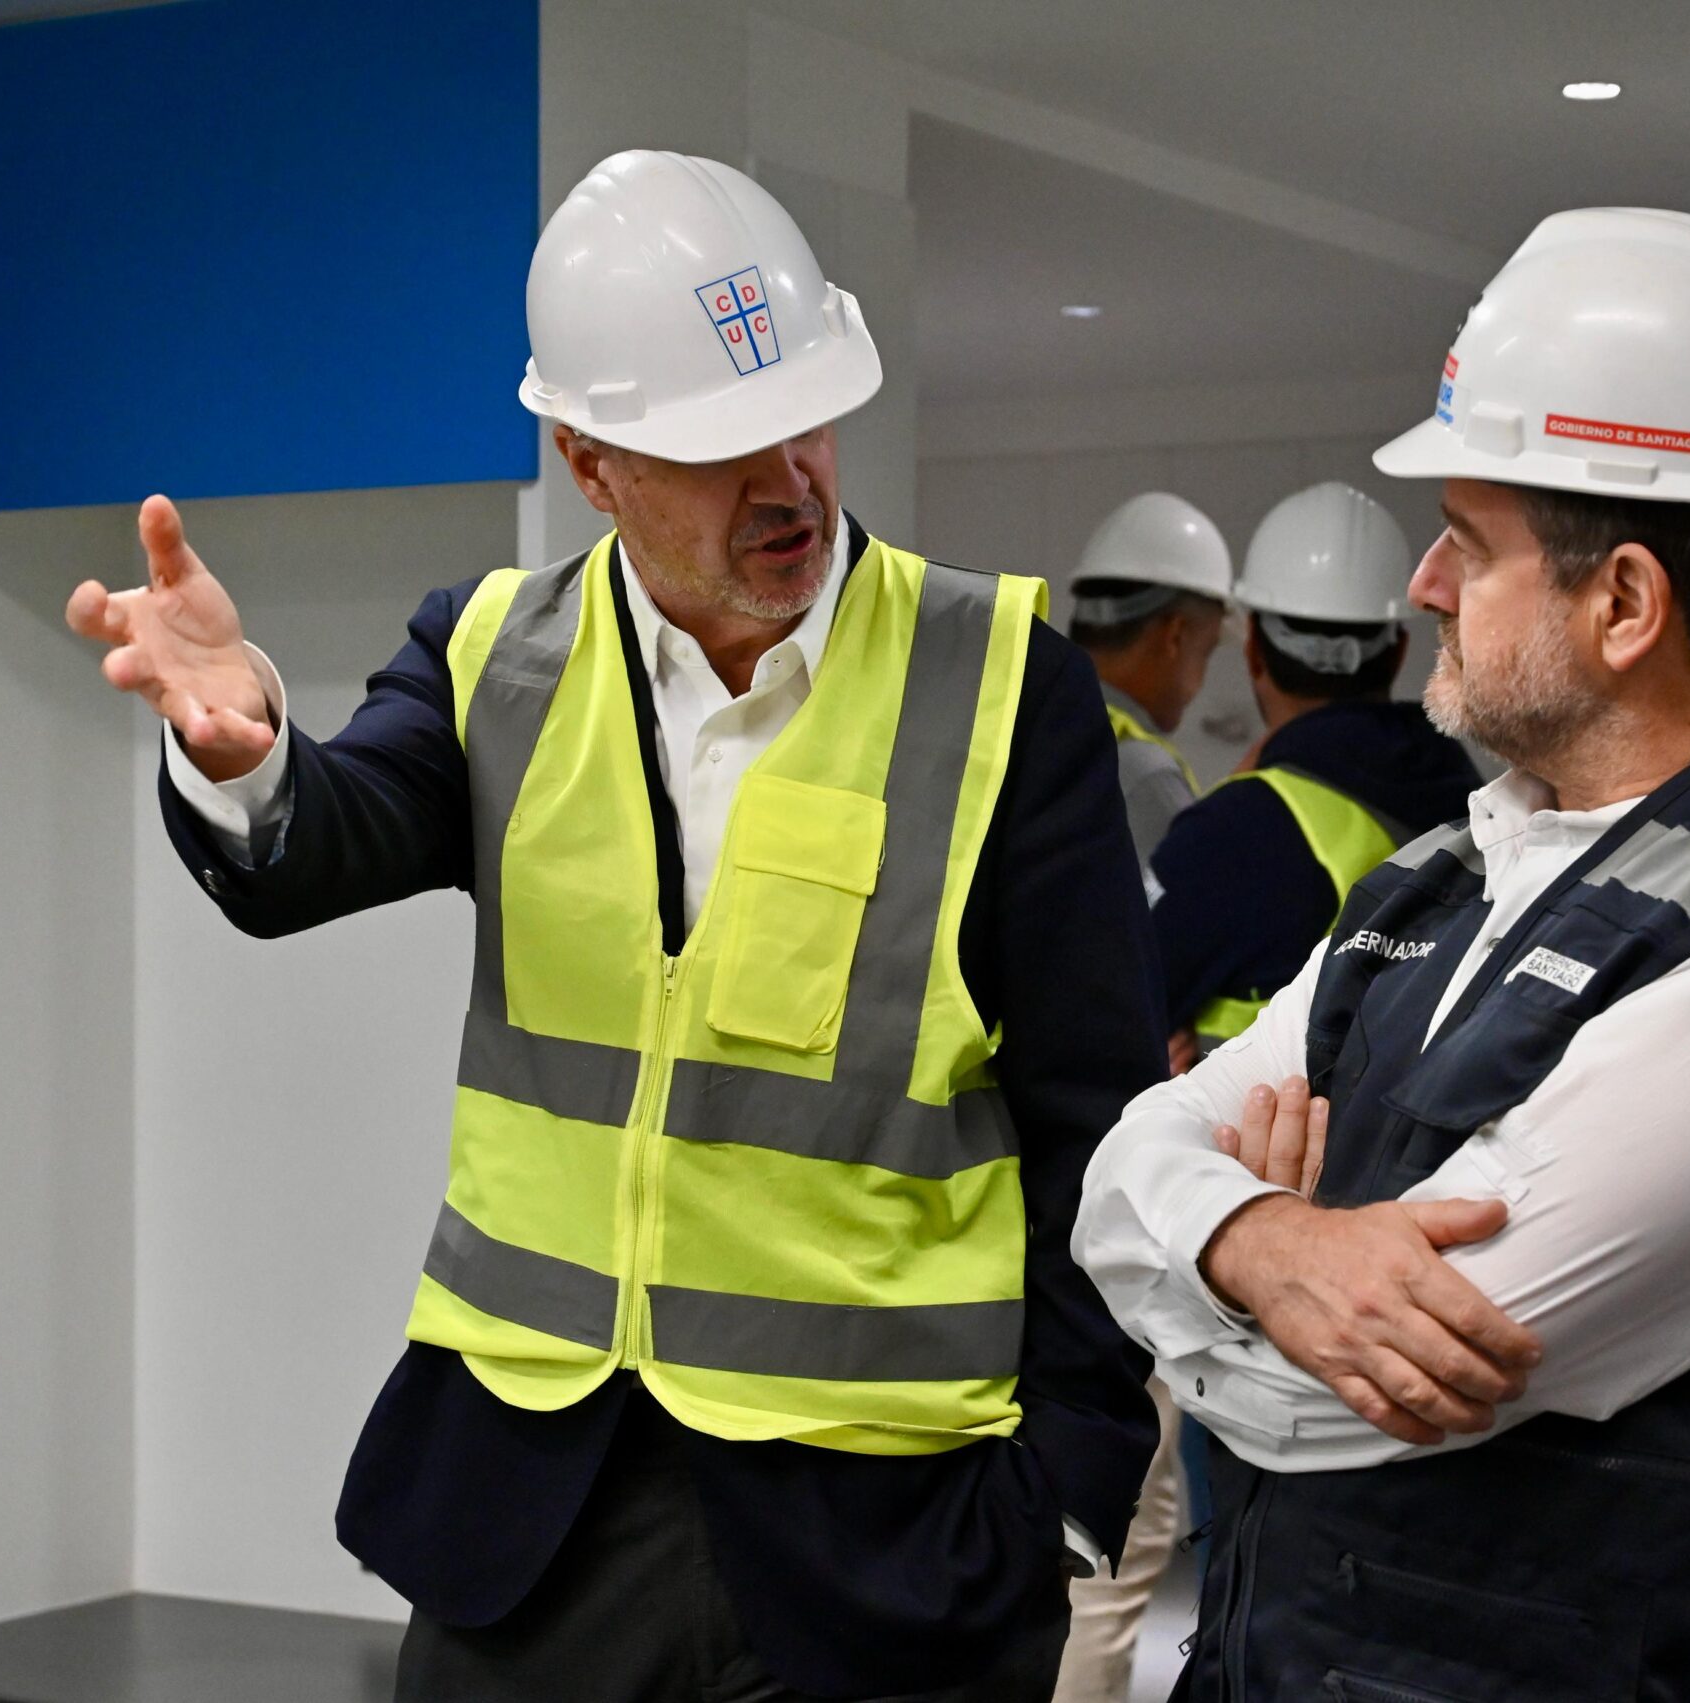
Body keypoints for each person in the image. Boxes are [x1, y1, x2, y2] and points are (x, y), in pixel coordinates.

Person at [66, 149, 1159, 1703]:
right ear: (592, 464)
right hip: (536, 1519)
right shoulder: (492, 654)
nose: (788, 482)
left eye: (807, 419)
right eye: (719, 448)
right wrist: (241, 756)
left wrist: (1068, 1492)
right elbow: (321, 842)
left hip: (894, 1537)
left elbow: (1095, 1115)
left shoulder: (1000, 682)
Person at [1075, 208, 1690, 1702]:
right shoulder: (1445, 870)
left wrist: (1198, 1250)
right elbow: (1118, 1171)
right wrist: (1262, 1238)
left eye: (1468, 540)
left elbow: (1341, 1404)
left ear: (1625, 602)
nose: (1423, 586)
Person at [1049, 492, 1226, 1702]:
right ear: (1174, 633)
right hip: (1104, 1190)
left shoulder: (1003, 720)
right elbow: (1167, 974)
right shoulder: (1142, 772)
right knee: (1117, 1537)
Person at [1149, 481, 1481, 1062]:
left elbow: (1110, 1008)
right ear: (1398, 651)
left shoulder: (1231, 834)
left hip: (1246, 1121)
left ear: (1254, 650)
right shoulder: (1477, 797)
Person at [1065, 492, 1233, 877]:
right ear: (1175, 636)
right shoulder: (1142, 772)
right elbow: (1206, 904)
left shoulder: (1036, 723)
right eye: (1206, 651)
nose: (1200, 680)